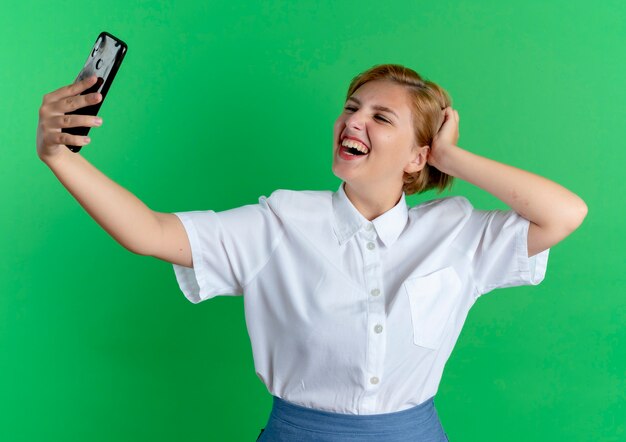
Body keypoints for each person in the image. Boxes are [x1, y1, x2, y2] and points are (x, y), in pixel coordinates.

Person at [36, 64, 587, 441]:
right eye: (352, 107)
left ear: (417, 156)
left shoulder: (459, 235)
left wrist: (450, 156)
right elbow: (148, 232)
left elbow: (565, 213)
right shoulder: (277, 224)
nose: (353, 121)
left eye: (380, 117)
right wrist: (59, 157)